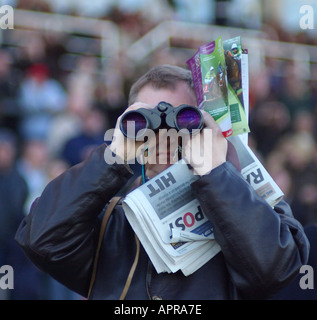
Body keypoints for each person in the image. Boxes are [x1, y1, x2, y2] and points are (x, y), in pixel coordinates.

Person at [15, 64, 309, 300]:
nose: (165, 135)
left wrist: (216, 175)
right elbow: (42, 240)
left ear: (202, 124)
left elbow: (277, 269)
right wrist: (112, 158)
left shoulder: (244, 196)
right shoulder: (109, 211)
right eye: (147, 121)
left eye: (184, 121)